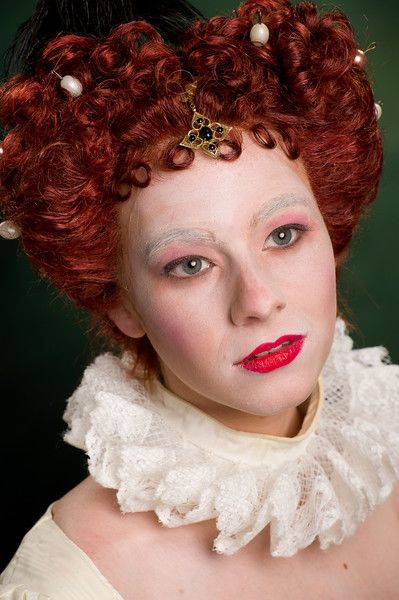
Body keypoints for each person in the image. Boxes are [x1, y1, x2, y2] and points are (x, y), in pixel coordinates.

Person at [0, 0, 398, 597]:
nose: (258, 301)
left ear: (330, 221)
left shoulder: (388, 437)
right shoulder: (74, 580)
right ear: (118, 301)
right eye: (190, 264)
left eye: (283, 235)